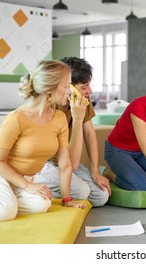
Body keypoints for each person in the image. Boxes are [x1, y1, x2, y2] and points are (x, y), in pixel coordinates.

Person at [0, 60, 86, 222]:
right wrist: (27, 186)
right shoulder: (17, 118)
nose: (70, 91)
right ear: (51, 89)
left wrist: (67, 199)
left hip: (24, 180)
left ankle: (7, 201)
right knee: (4, 212)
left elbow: (65, 164)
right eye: (67, 85)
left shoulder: (60, 118)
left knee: (42, 204)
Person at [34, 57, 110, 207]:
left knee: (102, 196)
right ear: (68, 86)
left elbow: (89, 134)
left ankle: (65, 185)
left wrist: (95, 171)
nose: (90, 91)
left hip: (67, 161)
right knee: (81, 191)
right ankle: (37, 181)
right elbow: (73, 164)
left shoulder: (82, 101)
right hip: (45, 164)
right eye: (84, 87)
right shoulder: (50, 107)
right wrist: (77, 117)